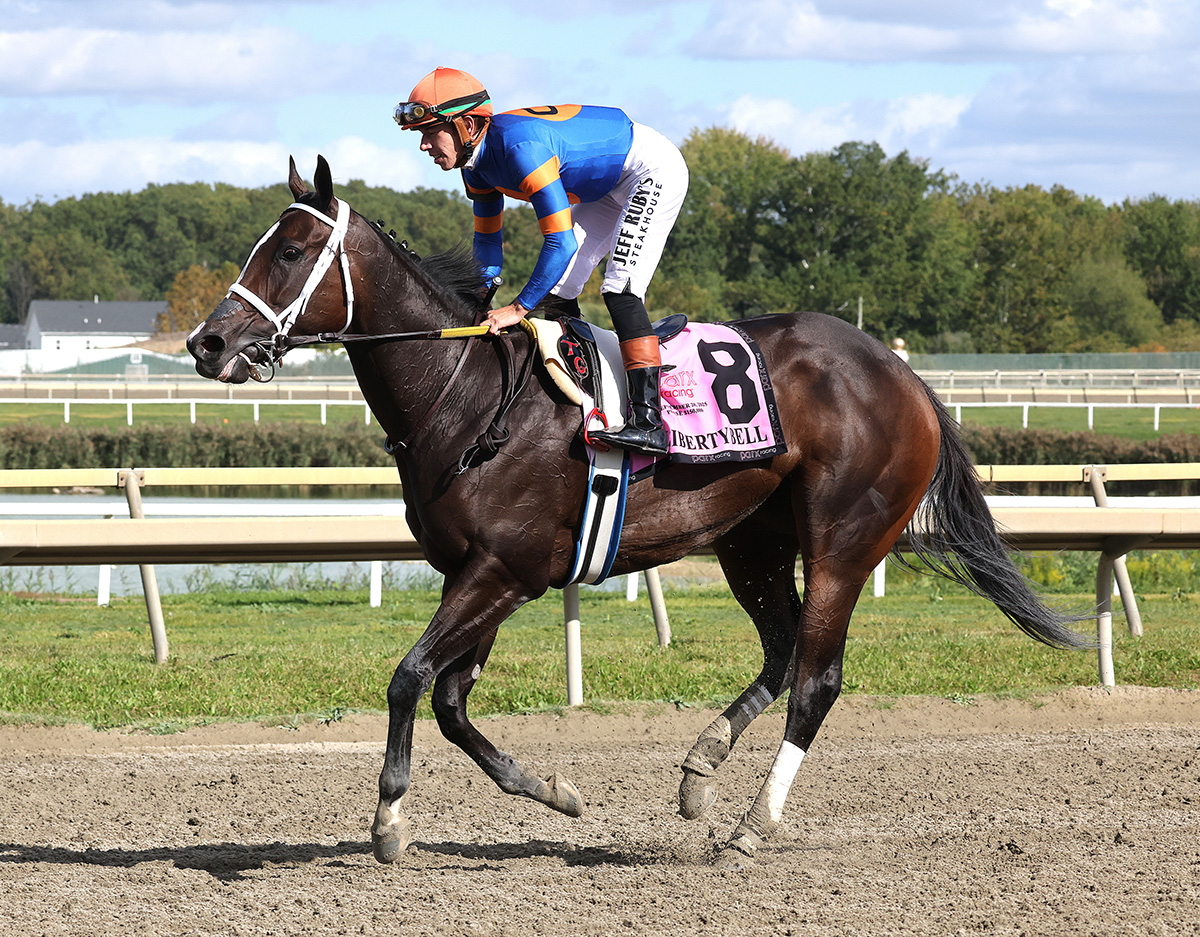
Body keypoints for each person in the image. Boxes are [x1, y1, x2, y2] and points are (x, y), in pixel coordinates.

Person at [393, 67, 689, 456]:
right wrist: (478, 301)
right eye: (421, 134)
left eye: (431, 132)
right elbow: (487, 244)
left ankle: (649, 423)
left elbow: (561, 242)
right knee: (558, 290)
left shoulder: (520, 151)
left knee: (620, 288)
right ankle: (588, 388)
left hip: (648, 170)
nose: (424, 146)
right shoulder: (476, 168)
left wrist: (517, 308)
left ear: (467, 124)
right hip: (600, 188)